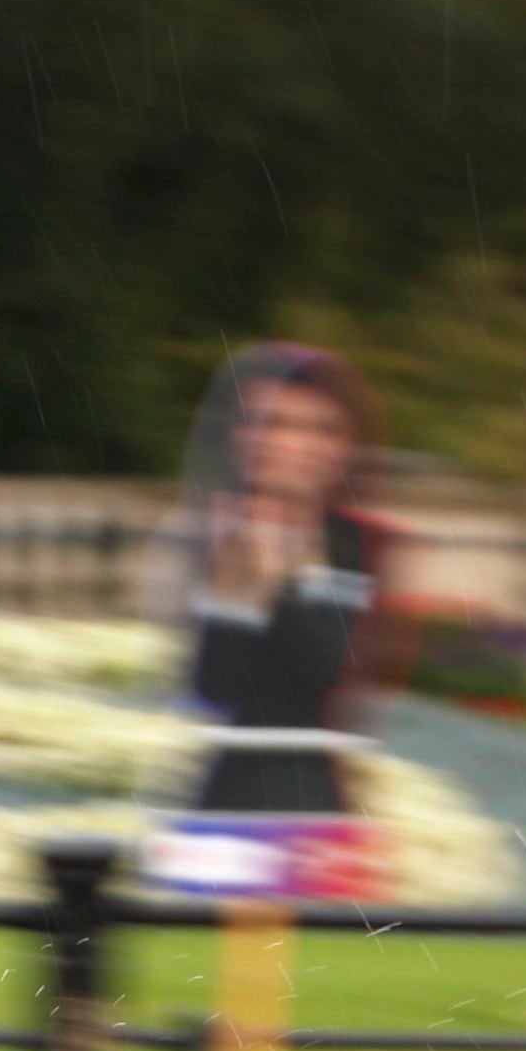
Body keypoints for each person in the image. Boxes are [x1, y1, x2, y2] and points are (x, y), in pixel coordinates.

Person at [156, 342, 404, 822]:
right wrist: (248, 579)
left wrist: (299, 568)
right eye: (272, 425)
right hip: (226, 800)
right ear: (240, 438)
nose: (293, 445)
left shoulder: (360, 545)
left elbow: (353, 680)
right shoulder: (202, 536)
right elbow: (210, 686)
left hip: (324, 805)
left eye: (320, 429)